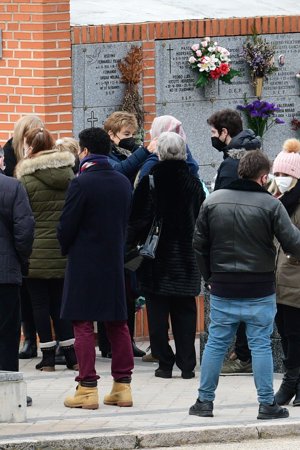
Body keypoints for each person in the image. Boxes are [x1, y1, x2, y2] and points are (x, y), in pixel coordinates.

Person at [189, 149, 300, 420]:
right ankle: (266, 404)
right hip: (260, 287)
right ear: (263, 177)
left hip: (223, 286)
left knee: (216, 344)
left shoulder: (213, 202)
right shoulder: (271, 205)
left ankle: (204, 402)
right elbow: (293, 244)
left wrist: (210, 278)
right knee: (260, 344)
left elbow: (198, 245)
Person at [58, 127, 134, 410]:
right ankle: (122, 387)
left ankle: (87, 387)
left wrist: (65, 246)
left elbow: (67, 225)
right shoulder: (122, 181)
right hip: (113, 260)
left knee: (82, 323)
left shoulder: (81, 182)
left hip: (84, 261)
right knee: (117, 322)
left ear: (85, 151)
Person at [127, 131, 206, 379]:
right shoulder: (194, 184)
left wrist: (128, 248)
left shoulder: (150, 180)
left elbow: (137, 220)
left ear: (159, 152)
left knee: (157, 314)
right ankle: (187, 365)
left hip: (156, 258)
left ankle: (164, 363)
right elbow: (202, 221)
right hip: (186, 257)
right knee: (185, 312)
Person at [15, 127, 77, 372]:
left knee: (39, 305)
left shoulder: (25, 179)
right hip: (63, 249)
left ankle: (48, 357)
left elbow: (23, 218)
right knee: (61, 303)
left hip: (35, 252)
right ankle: (72, 356)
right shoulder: (69, 174)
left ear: (29, 147)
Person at [208, 108, 261, 374]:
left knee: (237, 303)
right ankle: (243, 352)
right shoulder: (253, 154)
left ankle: (242, 355)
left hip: (234, 241)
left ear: (225, 133)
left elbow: (222, 204)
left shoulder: (232, 164)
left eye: (214, 133)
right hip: (255, 242)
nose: (213, 138)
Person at [101, 110, 152, 358]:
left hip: (129, 229)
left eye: (133, 134)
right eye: (125, 134)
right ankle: (108, 342)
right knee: (113, 287)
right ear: (111, 135)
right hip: (113, 231)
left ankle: (125, 340)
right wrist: (144, 151)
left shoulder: (128, 153)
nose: (130, 138)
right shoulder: (108, 157)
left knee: (128, 289)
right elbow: (119, 171)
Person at [3, 115, 44, 360]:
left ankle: (53, 342)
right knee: (24, 293)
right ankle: (29, 338)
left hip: (39, 228)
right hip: (18, 230)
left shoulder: (46, 150)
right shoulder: (9, 152)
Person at [268, 138, 300, 406]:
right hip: (279, 283)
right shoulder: (276, 202)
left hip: (295, 282)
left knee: (294, 335)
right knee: (287, 335)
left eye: (286, 174)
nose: (281, 179)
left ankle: (291, 382)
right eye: (277, 174)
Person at [0, 169, 34, 405]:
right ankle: (8, 390)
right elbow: (25, 230)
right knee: (8, 333)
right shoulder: (12, 187)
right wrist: (21, 260)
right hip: (6, 273)